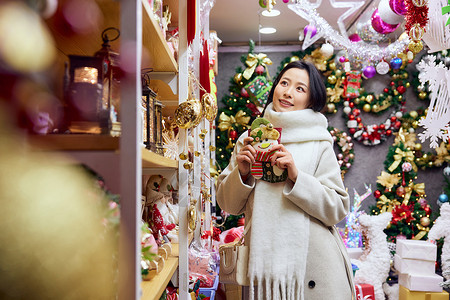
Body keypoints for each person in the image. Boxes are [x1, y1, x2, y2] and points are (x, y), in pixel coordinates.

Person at [216, 60, 355, 300]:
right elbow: (228, 205)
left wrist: (296, 176)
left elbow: (338, 208)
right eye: (284, 83)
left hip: (314, 270)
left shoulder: (319, 142)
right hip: (264, 275)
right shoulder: (248, 140)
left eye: (300, 88)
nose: (288, 92)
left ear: (311, 100)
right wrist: (242, 173)